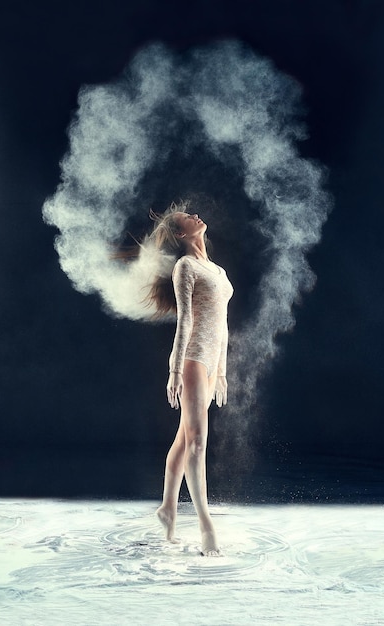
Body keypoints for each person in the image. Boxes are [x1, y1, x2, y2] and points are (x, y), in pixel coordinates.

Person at [146, 201, 233, 556]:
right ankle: (205, 526)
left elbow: (223, 328)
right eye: (188, 218)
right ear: (182, 233)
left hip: (212, 362)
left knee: (185, 439)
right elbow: (186, 322)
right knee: (197, 442)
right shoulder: (185, 267)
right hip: (194, 358)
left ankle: (167, 509)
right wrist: (174, 369)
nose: (196, 216)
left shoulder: (219, 271)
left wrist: (223, 372)